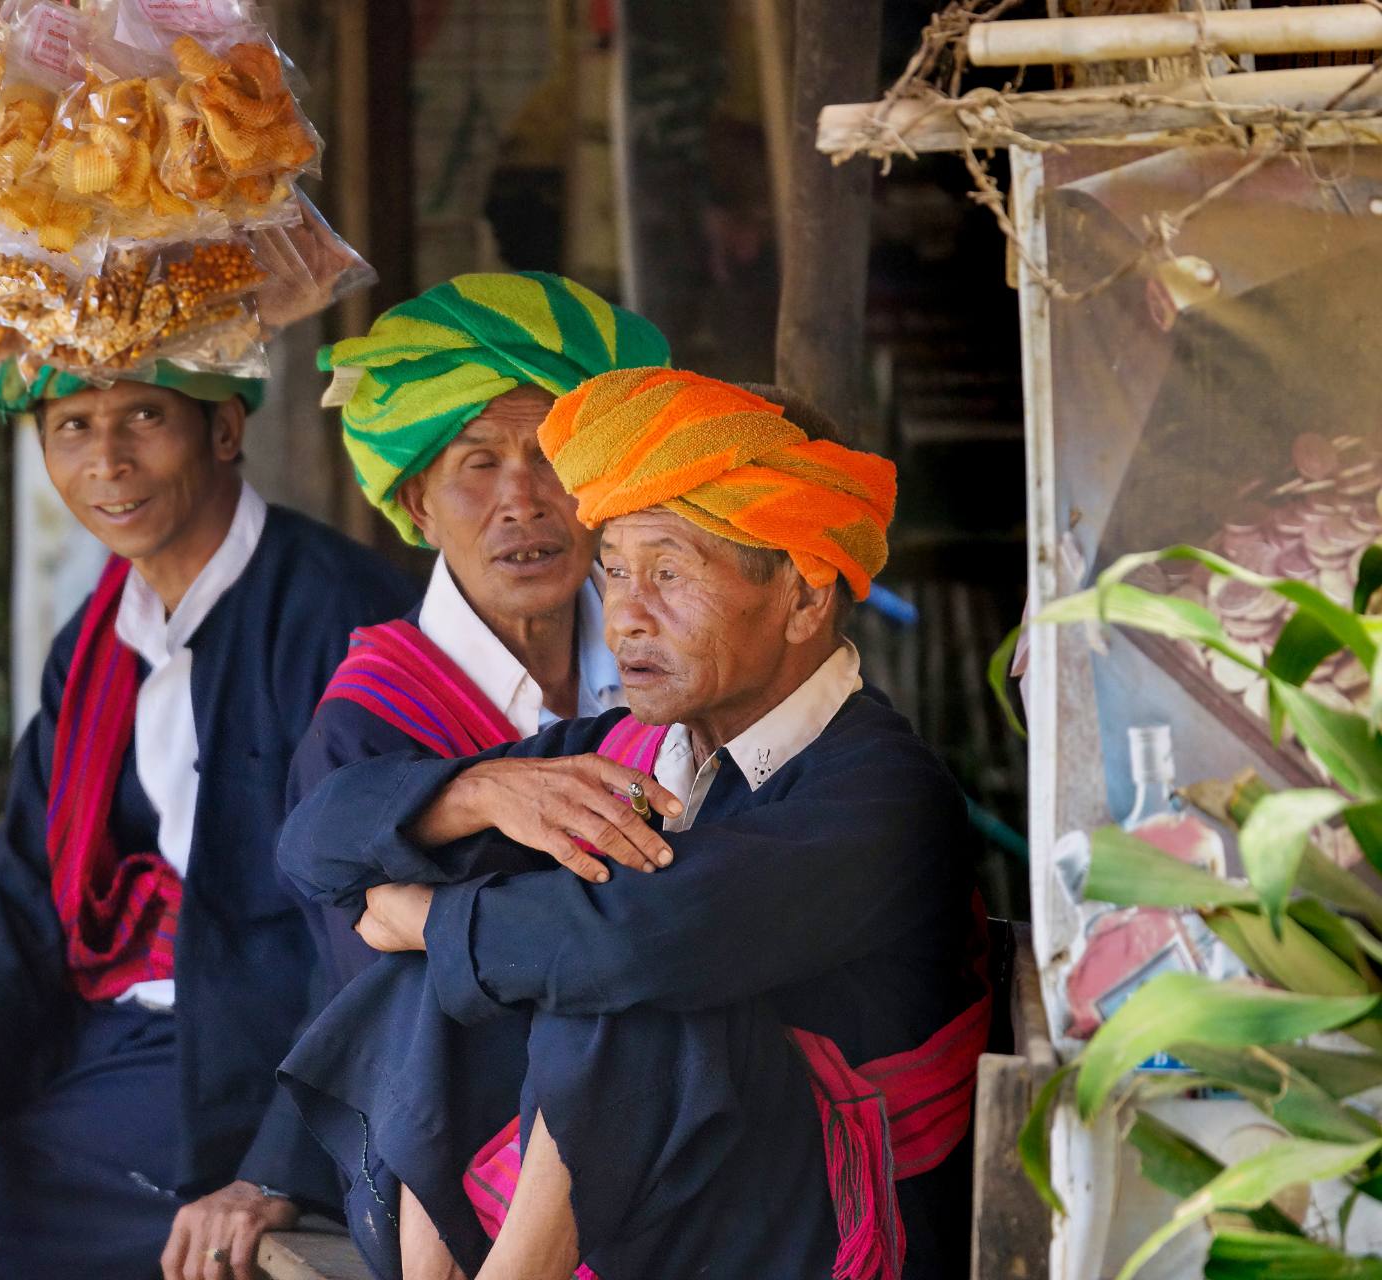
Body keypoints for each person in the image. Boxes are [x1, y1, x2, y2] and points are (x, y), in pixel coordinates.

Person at [276, 370, 987, 1280]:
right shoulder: (630, 751)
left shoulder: (884, 792)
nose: (624, 618)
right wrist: (482, 793)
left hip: (831, 1239)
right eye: (613, 571)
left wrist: (423, 917)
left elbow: (641, 943)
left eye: (669, 573)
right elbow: (312, 844)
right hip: (675, 1226)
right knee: (481, 961)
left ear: (805, 597)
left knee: (632, 983)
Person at [0, 359, 417, 1280]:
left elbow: (372, 933)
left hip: (247, 1059)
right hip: (88, 1031)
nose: (108, 461)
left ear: (223, 429)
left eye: (144, 417)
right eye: (73, 426)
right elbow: (24, 882)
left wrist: (274, 1170)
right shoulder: (96, 640)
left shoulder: (334, 614)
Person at [291, 271, 670, 985]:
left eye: (553, 455)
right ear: (419, 506)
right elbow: (389, 1001)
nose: (522, 501)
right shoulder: (367, 722)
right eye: (479, 463)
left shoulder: (677, 653)